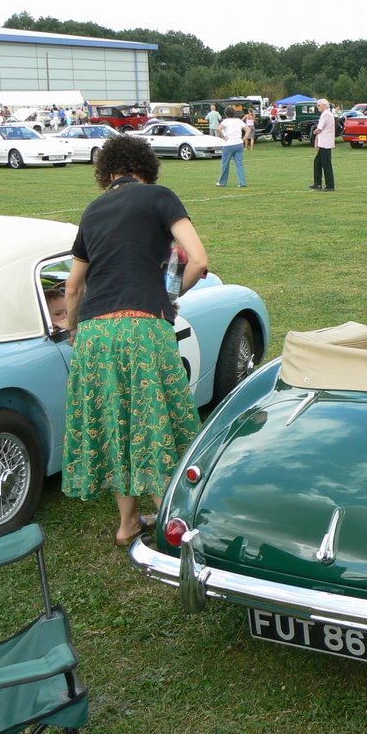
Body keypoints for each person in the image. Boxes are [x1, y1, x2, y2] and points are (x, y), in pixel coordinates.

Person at [62, 134, 209, 547]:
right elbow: (198, 260)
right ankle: (168, 520)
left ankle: (127, 525)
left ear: (107, 173)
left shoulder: (92, 211)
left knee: (115, 420)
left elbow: (74, 288)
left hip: (94, 332)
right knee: (154, 416)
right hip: (144, 325)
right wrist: (171, 297)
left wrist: (75, 329)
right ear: (146, 170)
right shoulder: (159, 197)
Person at [216, 106, 250, 188]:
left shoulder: (226, 121)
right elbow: (248, 130)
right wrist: (243, 139)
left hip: (228, 144)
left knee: (225, 164)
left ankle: (223, 182)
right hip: (238, 144)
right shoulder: (238, 121)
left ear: (226, 114)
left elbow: (218, 129)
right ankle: (242, 182)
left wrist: (223, 136)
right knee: (239, 164)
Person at [310, 98, 335, 191]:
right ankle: (318, 183)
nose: (317, 107)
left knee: (326, 164)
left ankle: (330, 185)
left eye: (318, 105)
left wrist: (314, 132)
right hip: (323, 142)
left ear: (324, 105)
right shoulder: (326, 114)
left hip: (325, 143)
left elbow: (319, 129)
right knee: (317, 162)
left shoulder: (326, 115)